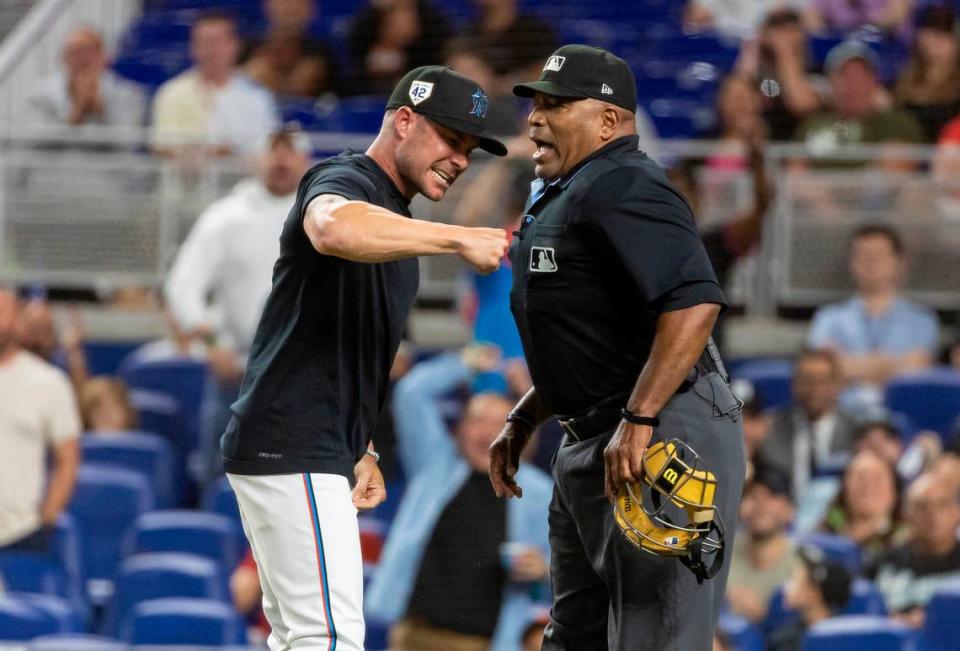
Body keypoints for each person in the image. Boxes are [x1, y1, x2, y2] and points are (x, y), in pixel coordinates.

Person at [221, 65, 509, 651]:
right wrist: (457, 237)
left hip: (312, 445)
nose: (460, 159)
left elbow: (357, 353)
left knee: (298, 639)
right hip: (293, 440)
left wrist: (365, 446)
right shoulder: (344, 177)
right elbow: (332, 229)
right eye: (451, 139)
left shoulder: (398, 234)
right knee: (328, 640)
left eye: (470, 149)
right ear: (404, 121)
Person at [488, 45, 746, 650]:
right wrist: (527, 413)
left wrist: (640, 417)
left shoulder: (627, 182)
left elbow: (693, 304)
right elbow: (590, 337)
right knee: (575, 636)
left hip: (661, 434)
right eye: (535, 105)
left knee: (655, 636)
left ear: (608, 120)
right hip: (597, 437)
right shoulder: (568, 188)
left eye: (555, 105)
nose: (535, 119)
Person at [366, 348, 552, 651]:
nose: (491, 433)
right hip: (413, 634)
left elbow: (570, 569)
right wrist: (464, 364)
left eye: (504, 423)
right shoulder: (434, 464)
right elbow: (412, 394)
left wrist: (542, 568)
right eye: (478, 420)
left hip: (488, 643)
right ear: (459, 429)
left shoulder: (540, 492)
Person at [164, 127, 312, 483]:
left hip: (302, 371)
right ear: (256, 158)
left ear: (304, 160)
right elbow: (183, 282)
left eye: (289, 151)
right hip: (237, 371)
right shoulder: (227, 216)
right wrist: (211, 342)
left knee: (295, 477)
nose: (280, 160)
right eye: (273, 150)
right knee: (222, 473)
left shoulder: (323, 215)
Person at [0, 289, 81, 553]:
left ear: (16, 318)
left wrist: (46, 520)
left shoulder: (50, 382)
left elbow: (68, 460)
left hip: (22, 534)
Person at [808, 224, 939, 387]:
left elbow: (918, 369)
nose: (871, 264)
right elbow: (823, 371)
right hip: (844, 408)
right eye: (863, 256)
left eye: (879, 256)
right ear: (851, 262)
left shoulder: (922, 320)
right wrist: (891, 365)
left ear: (899, 262)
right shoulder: (828, 317)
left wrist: (852, 366)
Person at [151, 11, 278, 156]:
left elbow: (266, 151)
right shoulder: (171, 93)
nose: (210, 50)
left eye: (217, 42)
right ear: (193, 48)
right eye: (204, 43)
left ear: (235, 46)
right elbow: (162, 147)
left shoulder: (257, 98)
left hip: (243, 176)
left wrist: (231, 153)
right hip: (184, 177)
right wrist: (205, 154)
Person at [794, 41, 923, 159]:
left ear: (873, 82)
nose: (853, 84)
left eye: (860, 76)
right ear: (831, 83)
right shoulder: (814, 125)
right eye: (845, 76)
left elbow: (898, 165)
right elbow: (795, 168)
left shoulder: (896, 124)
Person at [757, 349, 856, 499]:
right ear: (793, 385)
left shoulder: (855, 432)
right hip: (784, 516)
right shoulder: (771, 429)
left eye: (822, 381)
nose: (814, 389)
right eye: (806, 381)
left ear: (838, 385)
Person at [871, 472, 960, 626]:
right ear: (906, 514)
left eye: (942, 504)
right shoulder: (883, 562)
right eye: (921, 506)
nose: (933, 515)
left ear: (957, 513)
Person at [24, 26, 145, 135]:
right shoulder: (40, 94)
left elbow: (127, 144)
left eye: (88, 51)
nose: (81, 59)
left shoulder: (129, 94)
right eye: (74, 53)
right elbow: (34, 141)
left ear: (103, 57)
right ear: (63, 58)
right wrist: (77, 113)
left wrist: (99, 110)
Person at [736, 9, 827, 141]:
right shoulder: (758, 76)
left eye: (791, 32)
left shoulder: (817, 74)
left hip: (801, 150)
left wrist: (785, 53)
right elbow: (736, 108)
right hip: (761, 150)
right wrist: (753, 51)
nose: (783, 39)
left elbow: (801, 105)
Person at [726, 467, 798, 624]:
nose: (761, 504)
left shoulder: (803, 562)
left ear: (790, 510)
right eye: (753, 495)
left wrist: (764, 616)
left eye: (772, 496)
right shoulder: (720, 550)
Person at [818, 449, 905, 568]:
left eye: (877, 478)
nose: (867, 486)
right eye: (860, 477)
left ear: (894, 489)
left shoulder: (907, 540)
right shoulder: (823, 533)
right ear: (844, 486)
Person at [243, 0, 340, 98]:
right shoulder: (247, 48)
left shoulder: (322, 53)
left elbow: (341, 99)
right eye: (284, 2)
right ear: (267, 4)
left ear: (311, 8)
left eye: (297, 2)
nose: (289, 8)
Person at [766, 543, 853, 651]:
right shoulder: (783, 639)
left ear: (814, 592)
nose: (787, 586)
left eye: (797, 580)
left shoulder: (846, 638)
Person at [895, 5, 960, 143]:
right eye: (932, 32)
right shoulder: (904, 81)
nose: (938, 41)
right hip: (911, 151)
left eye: (945, 34)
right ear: (920, 37)